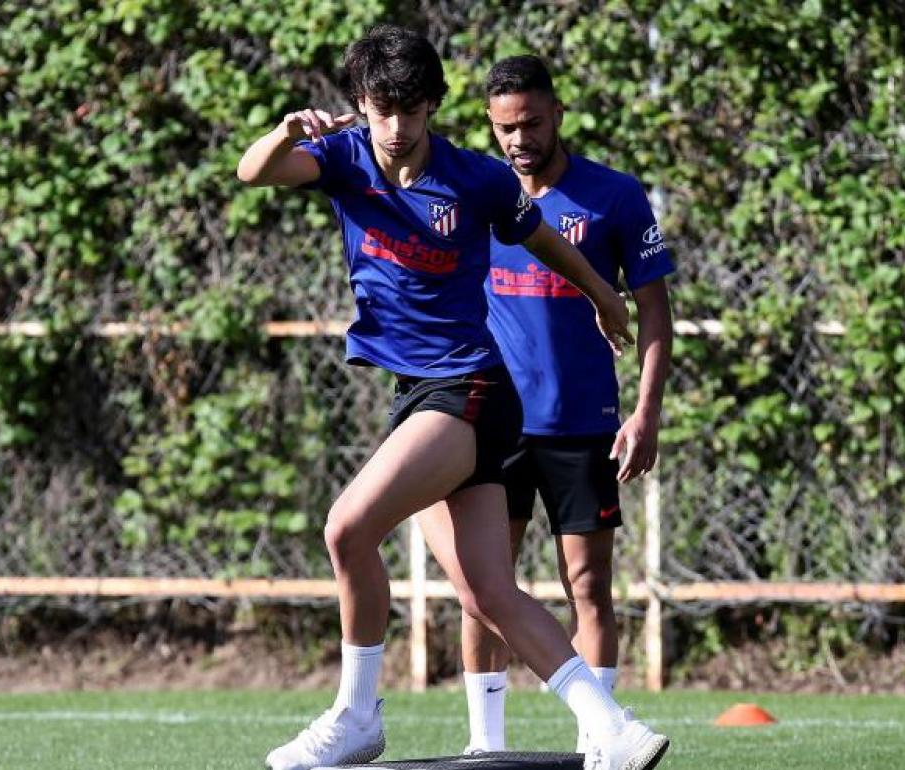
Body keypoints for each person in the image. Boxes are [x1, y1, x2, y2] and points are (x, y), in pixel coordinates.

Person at [236, 24, 670, 770]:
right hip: (422, 391)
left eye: (410, 111)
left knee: (346, 528)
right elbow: (254, 174)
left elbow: (540, 236)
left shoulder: (476, 178)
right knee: (486, 590)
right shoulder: (342, 159)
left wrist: (603, 292)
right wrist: (283, 132)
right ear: (359, 107)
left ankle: (356, 715)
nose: (396, 130)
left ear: (434, 104)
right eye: (380, 111)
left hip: (467, 389)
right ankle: (613, 728)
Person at [415, 55, 674, 755]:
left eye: (530, 122)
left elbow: (654, 309)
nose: (519, 139)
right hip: (491, 420)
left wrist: (645, 412)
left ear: (558, 113)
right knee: (483, 582)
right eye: (505, 127)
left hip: (583, 421)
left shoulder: (613, 196)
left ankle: (603, 741)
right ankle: (485, 744)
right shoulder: (475, 192)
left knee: (587, 584)